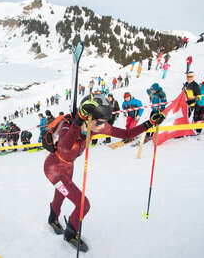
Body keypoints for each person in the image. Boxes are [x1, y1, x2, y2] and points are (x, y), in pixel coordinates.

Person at [44, 94, 165, 252]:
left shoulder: (96, 125)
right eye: (100, 122)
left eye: (105, 122)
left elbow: (126, 134)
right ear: (88, 118)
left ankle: (52, 219)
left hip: (68, 167)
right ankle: (70, 234)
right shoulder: (69, 126)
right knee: (83, 204)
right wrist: (78, 120)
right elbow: (66, 147)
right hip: (54, 169)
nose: (103, 126)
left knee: (61, 193)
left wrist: (149, 123)